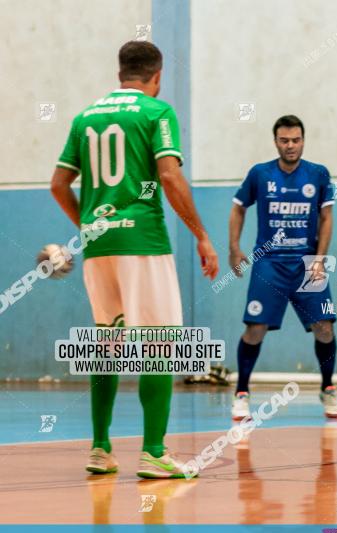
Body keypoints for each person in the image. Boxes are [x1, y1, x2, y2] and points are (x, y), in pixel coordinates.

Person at [51, 41, 220, 478]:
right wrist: (202, 235)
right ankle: (154, 452)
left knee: (107, 346)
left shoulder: (86, 116)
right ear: (157, 77)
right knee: (160, 344)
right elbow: (168, 174)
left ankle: (100, 448)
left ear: (119, 72)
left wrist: (89, 224)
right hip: (143, 242)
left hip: (99, 247)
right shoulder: (155, 112)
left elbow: (58, 184)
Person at [228, 115, 337, 420]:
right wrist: (234, 248)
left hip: (307, 263)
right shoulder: (260, 174)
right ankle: (241, 392)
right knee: (255, 329)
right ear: (275, 141)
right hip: (269, 262)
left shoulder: (317, 174)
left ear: (303, 140)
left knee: (325, 328)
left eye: (296, 140)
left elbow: (327, 218)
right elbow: (238, 208)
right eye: (284, 140)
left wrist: (319, 258)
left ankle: (328, 388)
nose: (290, 146)